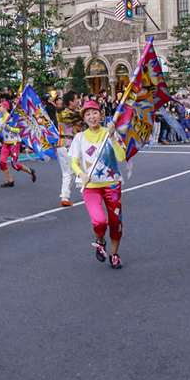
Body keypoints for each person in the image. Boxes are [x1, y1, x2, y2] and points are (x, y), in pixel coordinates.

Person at [68, 100, 127, 268]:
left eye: (95, 113)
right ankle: (100, 241)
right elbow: (74, 163)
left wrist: (113, 137)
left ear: (100, 114)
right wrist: (81, 174)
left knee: (115, 222)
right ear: (84, 118)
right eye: (87, 114)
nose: (92, 117)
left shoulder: (109, 133)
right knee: (99, 221)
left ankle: (114, 254)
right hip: (90, 187)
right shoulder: (79, 138)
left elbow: (121, 157)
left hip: (112, 184)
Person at [0, 99, 37, 187]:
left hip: (14, 143)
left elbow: (19, 130)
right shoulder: (0, 120)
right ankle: (10, 181)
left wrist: (8, 127)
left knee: (15, 164)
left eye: (1, 107)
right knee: (2, 162)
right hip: (6, 144)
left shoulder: (12, 118)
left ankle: (30, 171)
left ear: (5, 108)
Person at [56, 91, 83, 206]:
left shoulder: (72, 113)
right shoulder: (65, 113)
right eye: (77, 99)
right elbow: (71, 120)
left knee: (68, 173)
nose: (79, 101)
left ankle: (65, 197)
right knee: (80, 168)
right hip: (68, 144)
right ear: (70, 101)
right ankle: (89, 192)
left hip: (66, 145)